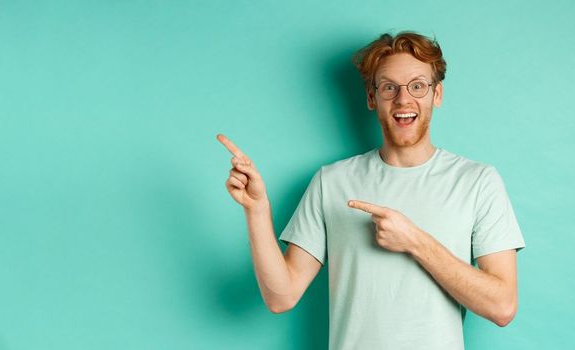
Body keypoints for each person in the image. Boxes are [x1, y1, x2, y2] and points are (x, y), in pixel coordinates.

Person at [216, 31, 525, 350]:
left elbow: (502, 307)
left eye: (417, 86)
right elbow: (281, 297)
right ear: (371, 96)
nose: (404, 100)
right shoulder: (331, 181)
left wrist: (415, 242)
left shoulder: (477, 182)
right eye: (389, 87)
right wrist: (256, 210)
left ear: (437, 94)